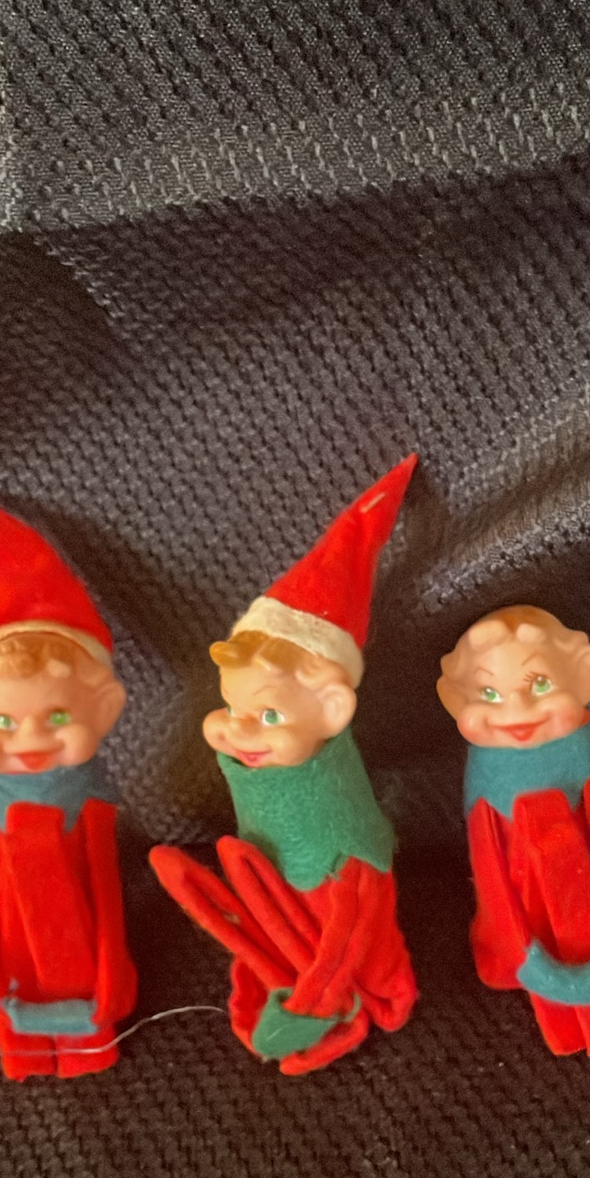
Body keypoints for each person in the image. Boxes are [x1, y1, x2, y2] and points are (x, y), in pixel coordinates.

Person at [150, 458, 418, 1075]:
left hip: (334, 914)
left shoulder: (343, 826)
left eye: (268, 714)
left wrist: (314, 1003)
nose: (238, 729)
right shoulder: (256, 775)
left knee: (367, 950)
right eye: (231, 708)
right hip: (276, 899)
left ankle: (350, 1002)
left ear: (332, 709)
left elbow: (354, 914)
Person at [0, 487, 136, 1078]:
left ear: (105, 709)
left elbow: (105, 885)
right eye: (3, 722)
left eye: (57, 717)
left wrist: (112, 974)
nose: (29, 739)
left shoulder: (92, 799)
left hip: (83, 949)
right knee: (15, 968)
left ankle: (89, 1045)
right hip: (10, 954)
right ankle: (24, 1050)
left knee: (84, 963)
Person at [437, 607, 590, 1060]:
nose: (516, 710)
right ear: (456, 701)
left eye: (539, 684)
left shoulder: (587, 741)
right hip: (521, 913)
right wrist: (523, 953)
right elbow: (488, 865)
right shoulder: (486, 768)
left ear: (584, 677)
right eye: (489, 693)